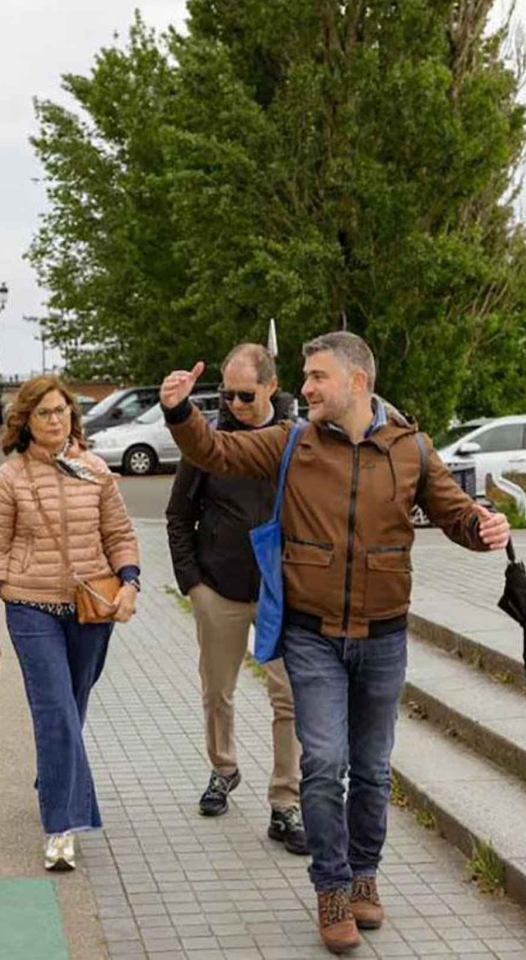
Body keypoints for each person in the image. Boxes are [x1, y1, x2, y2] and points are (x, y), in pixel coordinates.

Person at [160, 332, 511, 955]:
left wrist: (486, 527)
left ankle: (365, 874)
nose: (307, 388)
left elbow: (456, 514)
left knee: (373, 771)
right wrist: (180, 412)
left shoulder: (409, 449)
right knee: (323, 765)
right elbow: (214, 452)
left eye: (317, 376)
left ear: (356, 381)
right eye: (305, 376)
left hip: (382, 636)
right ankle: (331, 887)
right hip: (312, 634)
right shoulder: (292, 442)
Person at [0, 375, 141, 873]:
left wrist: (129, 582)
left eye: (61, 412)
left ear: (72, 417)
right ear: (26, 420)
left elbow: (120, 535)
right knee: (56, 714)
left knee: (74, 709)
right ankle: (62, 827)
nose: (54, 420)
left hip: (92, 609)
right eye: (43, 413)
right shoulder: (10, 477)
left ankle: (53, 778)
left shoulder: (94, 470)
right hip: (30, 607)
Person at [165, 344, 306, 854]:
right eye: (227, 395)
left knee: (288, 697)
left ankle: (286, 801)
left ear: (271, 387)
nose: (236, 404)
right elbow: (178, 515)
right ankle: (223, 769)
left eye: (245, 395)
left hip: (280, 592)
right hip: (219, 589)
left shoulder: (296, 441)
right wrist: (194, 586)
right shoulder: (209, 442)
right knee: (217, 691)